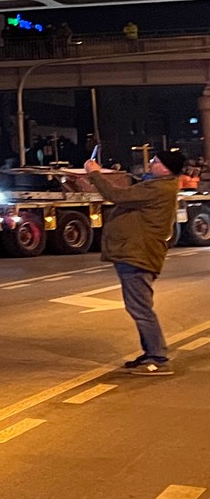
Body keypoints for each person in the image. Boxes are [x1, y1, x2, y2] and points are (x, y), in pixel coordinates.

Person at [75, 149, 184, 375]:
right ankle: (150, 354)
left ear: (165, 168)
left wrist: (94, 173)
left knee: (141, 309)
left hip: (138, 255)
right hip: (135, 253)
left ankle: (158, 359)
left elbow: (116, 196)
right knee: (139, 307)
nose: (151, 163)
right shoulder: (157, 186)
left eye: (155, 161)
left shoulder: (158, 188)